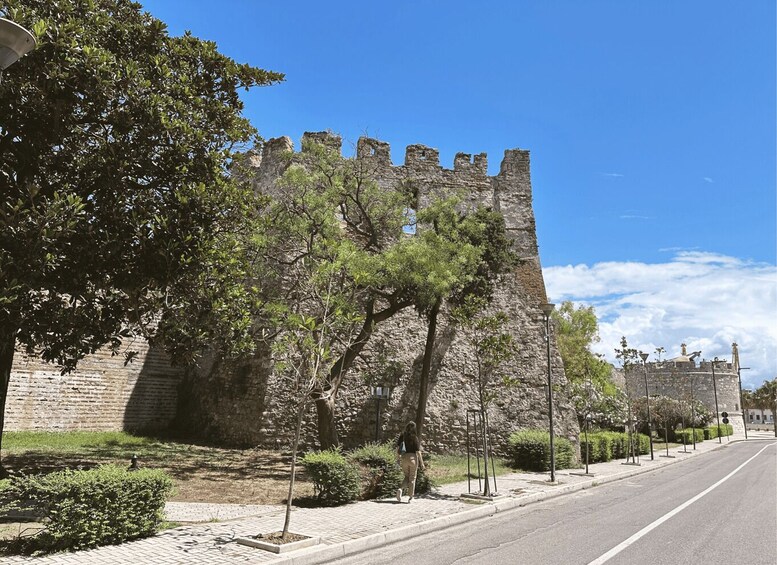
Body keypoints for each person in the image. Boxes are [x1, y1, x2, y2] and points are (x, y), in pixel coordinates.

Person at [396, 421, 425, 503]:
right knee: (412, 478)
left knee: (406, 476)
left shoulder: (402, 436)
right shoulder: (414, 437)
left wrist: (398, 459)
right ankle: (410, 497)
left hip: (404, 458)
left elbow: (397, 449)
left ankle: (400, 489)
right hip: (413, 458)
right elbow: (418, 452)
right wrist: (422, 463)